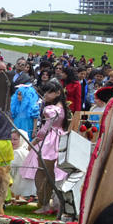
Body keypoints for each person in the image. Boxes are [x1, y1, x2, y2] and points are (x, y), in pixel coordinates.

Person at [28, 80, 70, 215]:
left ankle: (45, 204)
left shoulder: (51, 109)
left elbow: (45, 129)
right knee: (51, 173)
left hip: (50, 141)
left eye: (49, 92)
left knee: (44, 173)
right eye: (45, 91)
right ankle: (53, 203)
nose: (45, 94)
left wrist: (34, 142)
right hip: (59, 138)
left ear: (58, 93)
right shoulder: (62, 107)